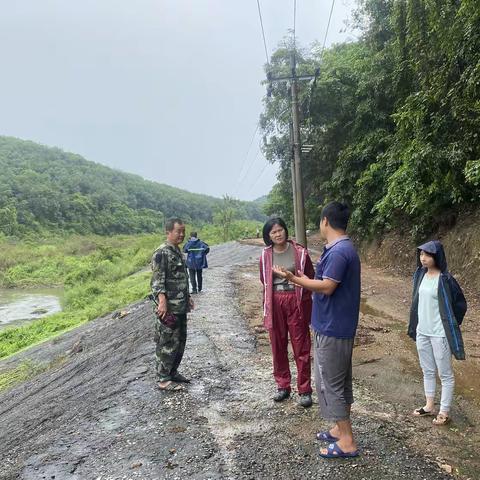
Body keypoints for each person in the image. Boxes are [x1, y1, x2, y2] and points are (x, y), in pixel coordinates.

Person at [273, 202, 361, 458]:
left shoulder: (339, 252)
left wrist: (292, 279)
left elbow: (326, 287)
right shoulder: (341, 248)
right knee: (339, 382)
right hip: (335, 325)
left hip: (334, 328)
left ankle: (347, 441)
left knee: (330, 384)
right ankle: (338, 428)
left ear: (325, 221)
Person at [408, 240, 467, 425]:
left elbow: (460, 305)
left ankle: (444, 411)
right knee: (427, 370)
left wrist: (450, 324)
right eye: (421, 254)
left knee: (445, 373)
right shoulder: (420, 275)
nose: (423, 258)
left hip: (439, 333)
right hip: (422, 331)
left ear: (437, 257)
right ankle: (429, 405)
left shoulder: (446, 279)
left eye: (427, 255)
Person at [259, 217, 315, 408]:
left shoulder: (299, 251)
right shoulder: (265, 255)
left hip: (295, 299)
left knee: (301, 345)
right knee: (277, 345)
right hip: (274, 301)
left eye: (280, 230)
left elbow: (310, 276)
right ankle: (283, 386)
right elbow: (263, 279)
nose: (277, 234)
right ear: (268, 236)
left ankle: (305, 390)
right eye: (273, 232)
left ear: (285, 230)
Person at [151, 217, 194, 391]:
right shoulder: (162, 253)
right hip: (169, 308)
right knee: (167, 342)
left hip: (180, 305)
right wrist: (162, 302)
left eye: (183, 231)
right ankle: (163, 379)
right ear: (168, 232)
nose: (182, 234)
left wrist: (188, 297)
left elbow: (181, 278)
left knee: (180, 341)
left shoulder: (176, 251)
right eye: (178, 231)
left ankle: (172, 372)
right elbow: (157, 281)